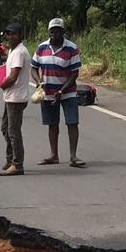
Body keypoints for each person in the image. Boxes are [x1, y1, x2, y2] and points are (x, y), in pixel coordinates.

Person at [32, 18, 85, 168]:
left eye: (57, 31)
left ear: (63, 32)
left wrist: (62, 90)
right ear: (48, 32)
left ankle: (73, 156)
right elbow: (34, 67)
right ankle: (54, 155)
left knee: (72, 122)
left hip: (67, 92)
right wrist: (38, 82)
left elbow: (74, 73)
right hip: (48, 92)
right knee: (52, 124)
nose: (54, 34)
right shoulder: (42, 47)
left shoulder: (71, 48)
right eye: (52, 31)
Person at [0, 23, 32, 176]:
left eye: (13, 34)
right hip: (11, 96)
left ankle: (17, 164)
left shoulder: (19, 52)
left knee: (13, 131)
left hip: (16, 97)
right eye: (8, 34)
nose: (10, 36)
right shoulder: (13, 50)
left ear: (20, 35)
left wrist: (1, 84)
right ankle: (11, 159)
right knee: (6, 128)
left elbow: (13, 76)